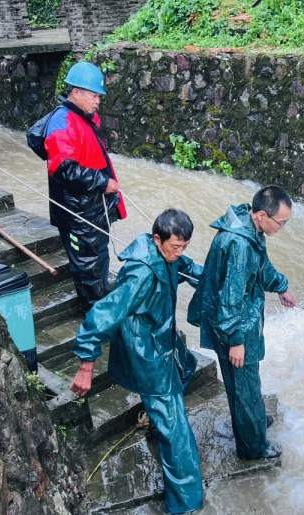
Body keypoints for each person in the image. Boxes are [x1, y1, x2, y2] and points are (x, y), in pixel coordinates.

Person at [70, 209, 205, 514]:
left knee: (187, 365)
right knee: (177, 431)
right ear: (157, 240)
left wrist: (216, 277)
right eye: (174, 247)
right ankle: (186, 504)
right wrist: (86, 364)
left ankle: (159, 420)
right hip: (146, 349)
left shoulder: (171, 257)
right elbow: (104, 312)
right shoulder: (141, 273)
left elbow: (188, 268)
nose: (179, 252)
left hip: (162, 336)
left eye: (184, 246)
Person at [187, 185, 296, 460]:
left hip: (234, 319)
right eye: (280, 223)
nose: (281, 228)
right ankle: (253, 447)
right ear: (261, 215)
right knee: (244, 385)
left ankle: (251, 424)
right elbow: (230, 298)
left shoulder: (248, 227)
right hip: (233, 325)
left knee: (245, 380)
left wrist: (281, 286)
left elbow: (262, 267)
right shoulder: (239, 244)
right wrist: (235, 340)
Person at [44, 60, 127, 313]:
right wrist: (103, 183)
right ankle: (94, 318)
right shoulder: (62, 122)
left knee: (98, 260)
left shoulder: (83, 117)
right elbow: (63, 168)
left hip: (91, 209)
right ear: (76, 93)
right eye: (94, 95)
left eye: (99, 96)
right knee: (88, 266)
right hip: (78, 214)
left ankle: (99, 305)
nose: (98, 100)